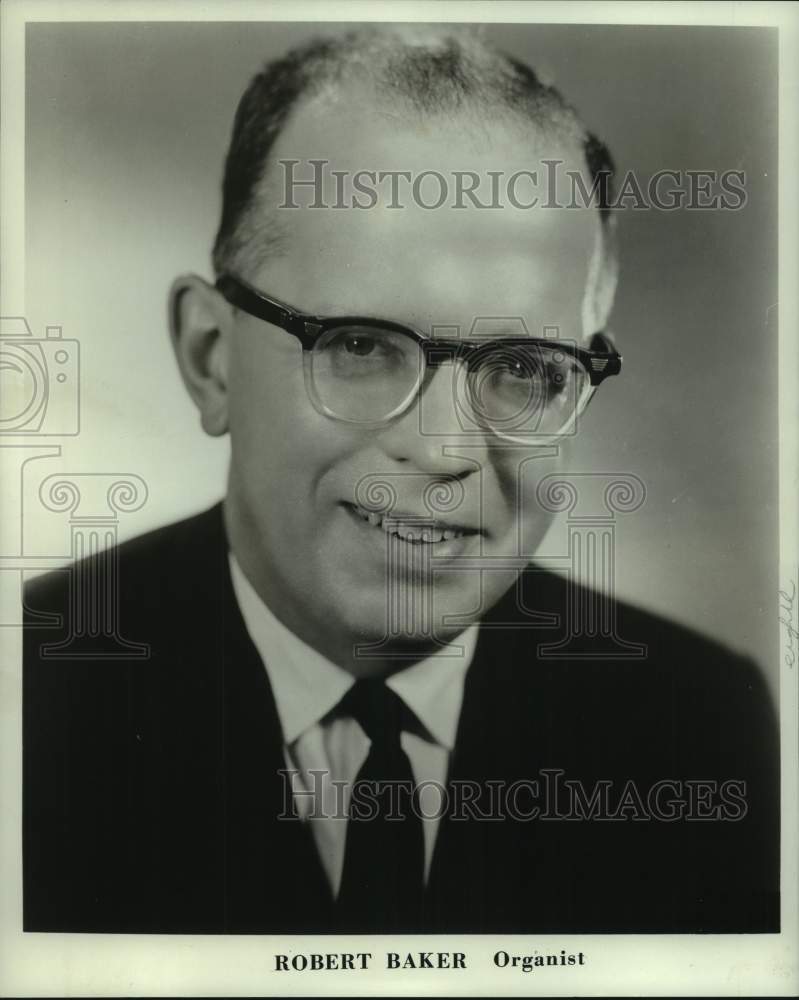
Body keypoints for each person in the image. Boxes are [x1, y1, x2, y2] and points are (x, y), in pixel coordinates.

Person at [23, 27, 778, 934]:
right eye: (361, 347)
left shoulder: (696, 727)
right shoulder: (28, 704)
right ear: (211, 359)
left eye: (524, 367)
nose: (446, 449)